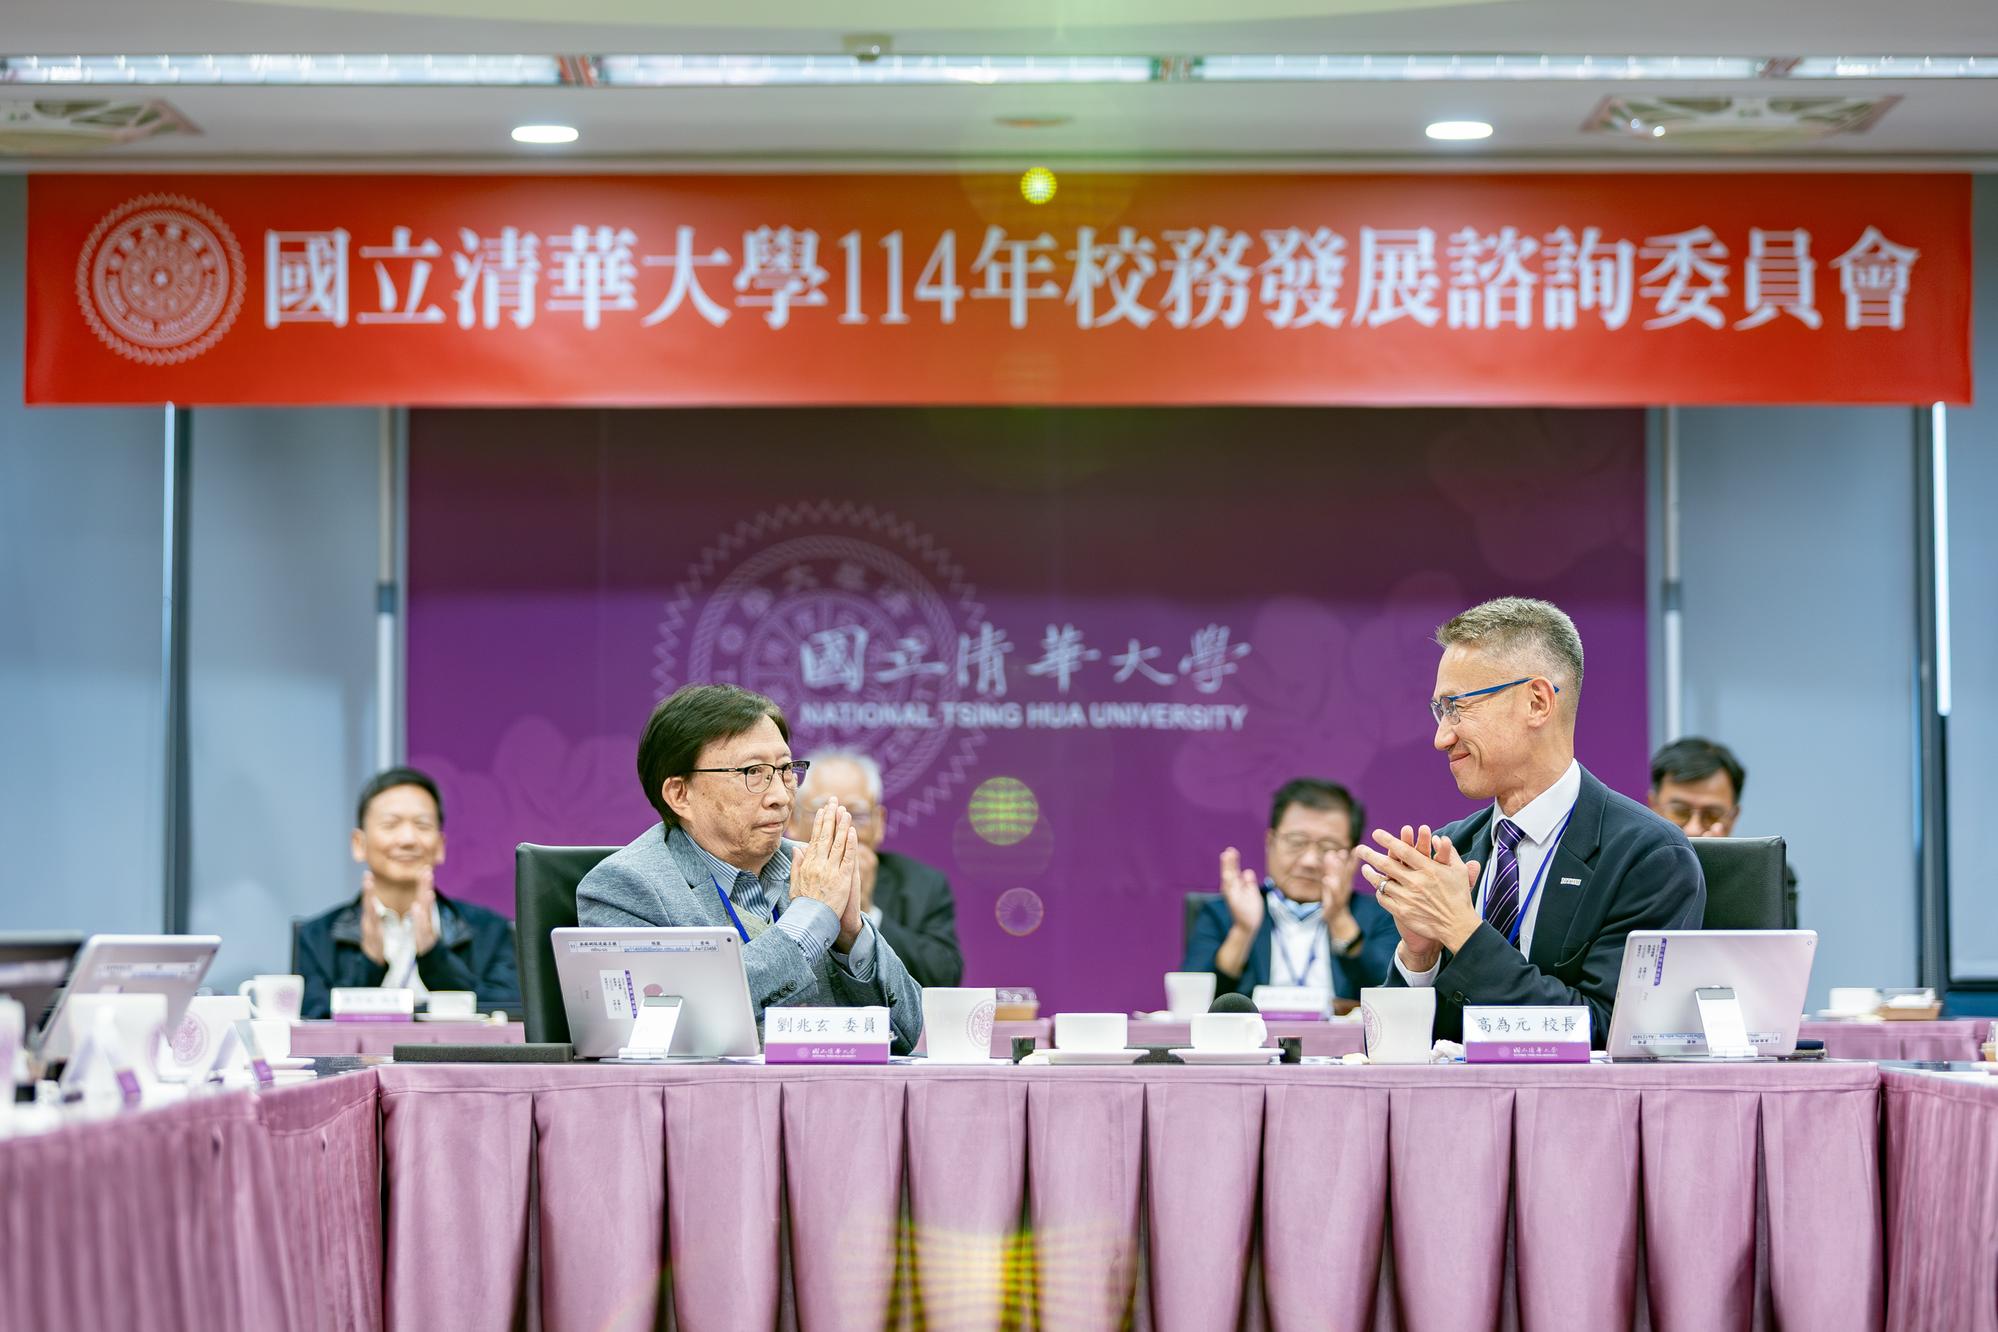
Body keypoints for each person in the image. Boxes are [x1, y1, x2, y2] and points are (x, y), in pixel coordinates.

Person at [1357, 597, 1704, 1046]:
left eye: (1458, 707)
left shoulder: (1647, 856)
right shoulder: (1450, 851)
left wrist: (1462, 932)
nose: (1442, 737)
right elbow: (1389, 1054)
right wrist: (1419, 958)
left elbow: (1608, 1035)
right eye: (1439, 711)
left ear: (1537, 702)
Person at [577, 684, 924, 1052]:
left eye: (785, 770)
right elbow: (657, 1035)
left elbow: (905, 1035)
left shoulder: (811, 870)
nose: (780, 797)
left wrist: (850, 934)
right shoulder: (626, 887)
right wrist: (809, 920)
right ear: (680, 793)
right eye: (753, 773)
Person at [296, 766, 521, 1020]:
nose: (407, 839)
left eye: (422, 825)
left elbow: (508, 1019)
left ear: (440, 846)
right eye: (390, 824)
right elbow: (311, 1030)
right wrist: (369, 964)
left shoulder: (491, 932)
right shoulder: (317, 938)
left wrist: (435, 959)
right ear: (359, 844)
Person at [1182, 779, 1398, 1004]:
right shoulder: (1223, 914)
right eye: (1296, 842)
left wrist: (1340, 920)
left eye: (1328, 847)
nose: (1309, 861)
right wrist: (1242, 932)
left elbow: (1394, 1002)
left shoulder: (1381, 914)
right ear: (1270, 842)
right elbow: (1192, 1005)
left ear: (1352, 859)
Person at [786, 750, 964, 988]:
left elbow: (944, 976)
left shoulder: (922, 884)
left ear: (879, 823)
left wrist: (864, 912)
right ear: (793, 822)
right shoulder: (769, 875)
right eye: (825, 815)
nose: (841, 828)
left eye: (856, 815)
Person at [1649, 736, 1799, 926]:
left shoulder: (1769, 878)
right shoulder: (1629, 870)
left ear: (1733, 816)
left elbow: (1780, 953)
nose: (1694, 828)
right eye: (1680, 811)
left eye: (1712, 815)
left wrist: (1713, 870)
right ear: (1653, 806)